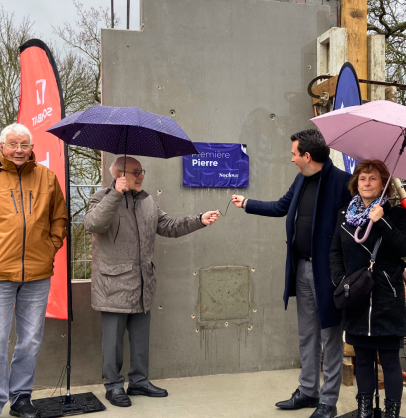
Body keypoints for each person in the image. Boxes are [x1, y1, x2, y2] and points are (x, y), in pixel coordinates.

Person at [232, 129, 351, 418]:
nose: (292, 159)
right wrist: (247, 204)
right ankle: (308, 391)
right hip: (301, 268)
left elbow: (349, 231)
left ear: (307, 156)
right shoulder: (301, 179)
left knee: (330, 337)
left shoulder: (342, 183)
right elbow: (281, 207)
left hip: (329, 275)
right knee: (307, 333)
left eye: (294, 154)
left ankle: (328, 401)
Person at [84, 156, 219, 408]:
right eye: (136, 172)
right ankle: (113, 386)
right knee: (112, 342)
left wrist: (199, 219)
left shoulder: (147, 201)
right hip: (112, 285)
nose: (141, 176)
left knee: (140, 338)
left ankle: (139, 381)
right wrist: (115, 193)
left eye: (141, 171)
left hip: (143, 283)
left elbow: (168, 226)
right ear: (119, 175)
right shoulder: (101, 198)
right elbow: (93, 223)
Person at [0, 123, 68, 418]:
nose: (18, 150)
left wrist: (50, 247)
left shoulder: (47, 177)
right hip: (0, 272)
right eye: (13, 144)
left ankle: (20, 398)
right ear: (2, 146)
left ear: (31, 147)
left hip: (38, 275)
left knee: (30, 339)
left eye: (24, 144)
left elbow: (59, 218)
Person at [330, 160, 406, 418]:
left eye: (373, 178)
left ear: (384, 185)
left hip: (387, 297)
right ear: (355, 183)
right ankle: (364, 410)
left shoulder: (396, 214)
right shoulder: (344, 214)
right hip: (356, 297)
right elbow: (335, 252)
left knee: (390, 360)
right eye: (362, 178)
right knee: (362, 358)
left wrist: (382, 221)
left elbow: (403, 248)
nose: (366, 183)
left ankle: (391, 413)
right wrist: (341, 280)